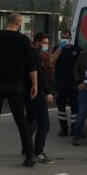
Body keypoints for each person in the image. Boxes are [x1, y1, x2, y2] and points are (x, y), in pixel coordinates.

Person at [0, 12, 37, 167]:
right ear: (18, 23)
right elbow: (31, 64)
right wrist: (35, 84)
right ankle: (29, 155)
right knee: (21, 120)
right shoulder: (23, 40)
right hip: (16, 85)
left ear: (7, 21)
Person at [26, 32, 56, 164]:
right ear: (37, 42)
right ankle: (38, 151)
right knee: (44, 123)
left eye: (47, 43)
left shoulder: (33, 53)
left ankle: (27, 148)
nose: (46, 45)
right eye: (44, 43)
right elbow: (38, 75)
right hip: (36, 92)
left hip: (29, 92)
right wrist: (48, 92)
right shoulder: (33, 54)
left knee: (31, 121)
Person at [50, 30, 82, 137]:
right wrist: (60, 48)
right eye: (62, 37)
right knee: (61, 106)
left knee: (75, 106)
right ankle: (63, 128)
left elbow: (80, 66)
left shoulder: (76, 49)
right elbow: (51, 59)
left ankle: (74, 129)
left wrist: (79, 81)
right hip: (60, 83)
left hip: (73, 83)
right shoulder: (57, 48)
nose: (64, 40)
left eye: (66, 38)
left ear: (70, 38)